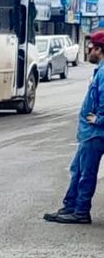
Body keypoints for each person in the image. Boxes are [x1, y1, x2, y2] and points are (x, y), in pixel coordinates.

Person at [44, 29, 104, 224]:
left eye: (90, 49)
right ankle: (70, 206)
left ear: (98, 49)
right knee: (77, 169)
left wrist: (100, 118)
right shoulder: (100, 70)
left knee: (86, 173)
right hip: (89, 132)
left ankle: (80, 211)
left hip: (96, 132)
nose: (88, 53)